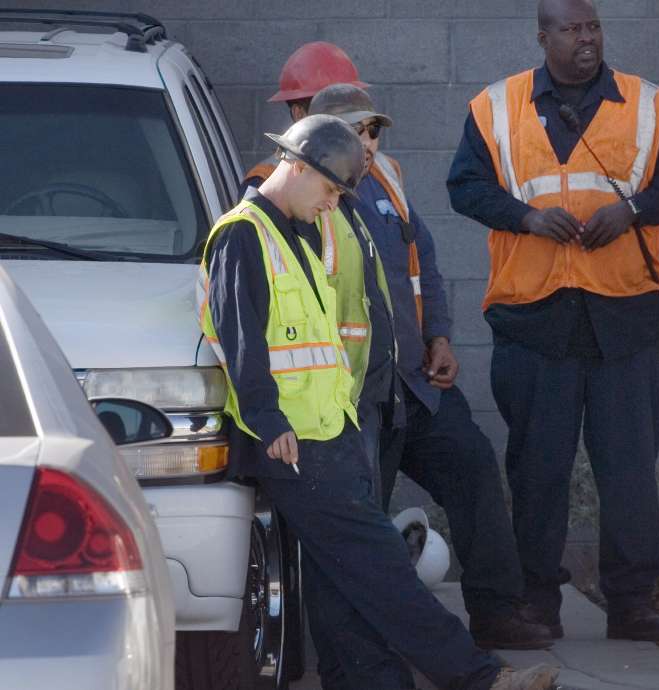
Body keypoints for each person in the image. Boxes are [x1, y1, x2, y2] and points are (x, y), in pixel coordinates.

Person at [197, 114, 557, 690]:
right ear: (296, 165)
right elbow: (242, 342)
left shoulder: (295, 231)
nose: (333, 202)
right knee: (380, 565)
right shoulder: (245, 235)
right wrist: (267, 421)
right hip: (293, 441)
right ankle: (478, 678)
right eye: (331, 189)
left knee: (340, 575)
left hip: (326, 432)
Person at [447, 0, 659, 642]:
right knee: (537, 469)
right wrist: (525, 217)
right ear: (544, 37)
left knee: (629, 468)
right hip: (534, 316)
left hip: (625, 315)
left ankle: (633, 604)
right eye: (571, 29)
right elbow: (464, 186)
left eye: (593, 27)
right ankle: (537, 603)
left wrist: (633, 210)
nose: (585, 39)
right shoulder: (494, 107)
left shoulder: (651, 105)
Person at [307, 82, 554, 651]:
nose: (367, 142)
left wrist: (439, 335)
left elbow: (425, 264)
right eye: (354, 131)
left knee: (471, 465)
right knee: (363, 516)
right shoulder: (306, 198)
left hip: (414, 384)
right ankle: (366, 642)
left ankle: (496, 612)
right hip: (356, 395)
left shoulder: (387, 181)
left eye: (372, 130)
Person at [242, 41, 368, 189]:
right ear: (299, 114)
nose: (348, 122)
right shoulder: (266, 182)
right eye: (335, 111)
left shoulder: (377, 169)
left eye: (351, 111)